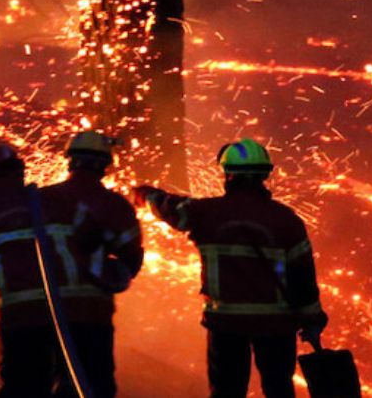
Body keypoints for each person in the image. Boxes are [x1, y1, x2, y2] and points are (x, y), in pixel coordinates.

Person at [132, 138, 328, 398]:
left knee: (226, 391)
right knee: (279, 389)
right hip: (277, 326)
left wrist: (144, 195)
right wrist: (313, 320)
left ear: (228, 174)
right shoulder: (286, 220)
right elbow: (303, 277)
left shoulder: (207, 213)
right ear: (265, 175)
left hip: (226, 325)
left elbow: (170, 208)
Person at [0, 133, 143, 398]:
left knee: (24, 389)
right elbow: (119, 253)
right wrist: (110, 272)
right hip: (80, 315)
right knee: (87, 386)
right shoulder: (49, 201)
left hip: (18, 320)